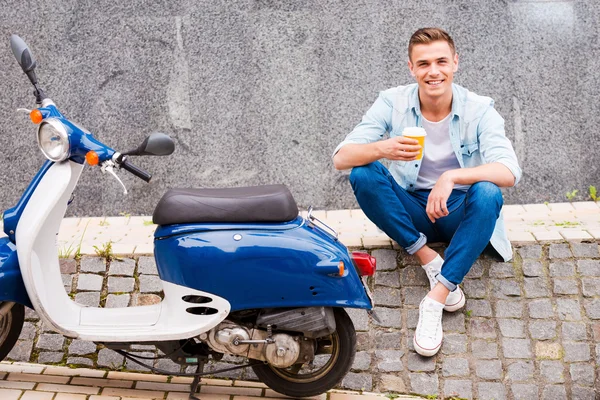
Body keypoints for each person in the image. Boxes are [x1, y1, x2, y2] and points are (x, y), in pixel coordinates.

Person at [332, 27, 521, 357]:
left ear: (455, 63)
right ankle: (427, 257)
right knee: (364, 172)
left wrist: (451, 177)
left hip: (459, 211)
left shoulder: (479, 109)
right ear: (411, 68)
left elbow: (509, 171)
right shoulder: (392, 102)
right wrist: (383, 148)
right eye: (423, 64)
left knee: (489, 192)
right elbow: (341, 158)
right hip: (413, 210)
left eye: (441, 61)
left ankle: (436, 298)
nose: (433, 71)